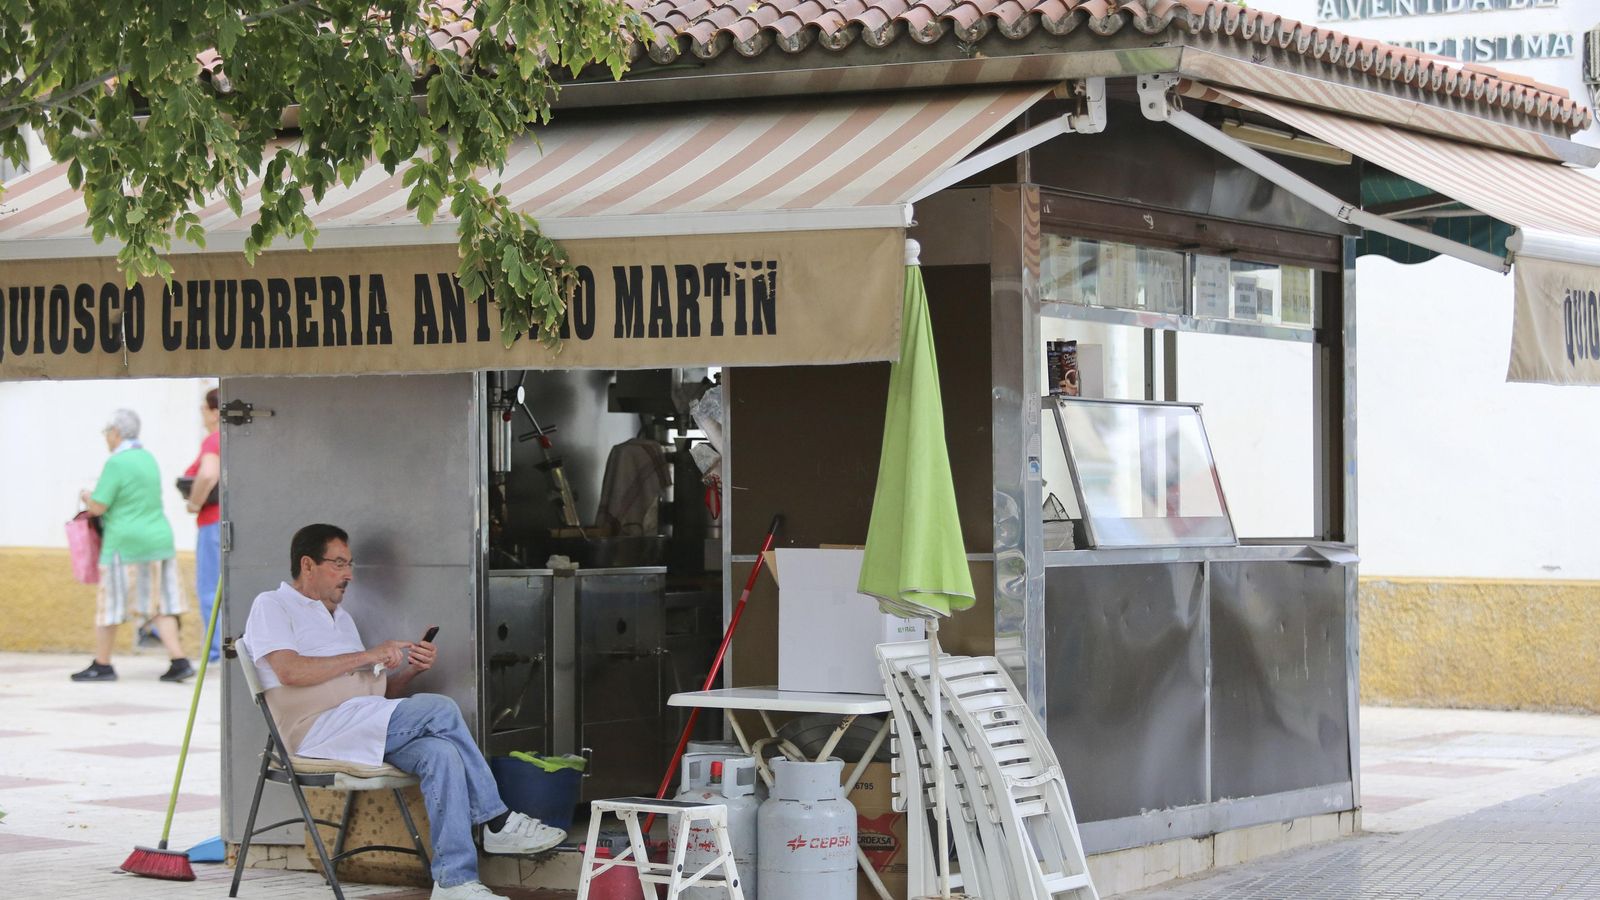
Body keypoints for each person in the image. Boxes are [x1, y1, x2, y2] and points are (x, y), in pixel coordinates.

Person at [242, 524, 563, 900]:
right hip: (315, 732)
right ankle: (496, 820)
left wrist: (411, 670)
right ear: (307, 565)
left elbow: (379, 694)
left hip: (362, 723)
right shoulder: (273, 605)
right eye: (339, 563)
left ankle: (453, 881)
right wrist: (368, 655)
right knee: (440, 708)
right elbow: (289, 672)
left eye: (350, 564)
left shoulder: (341, 618)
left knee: (441, 753)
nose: (348, 574)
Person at [74, 409, 195, 683]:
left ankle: (102, 664)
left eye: (107, 432)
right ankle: (179, 660)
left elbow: (99, 506)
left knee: (110, 605)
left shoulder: (116, 463)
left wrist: (86, 496)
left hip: (125, 543)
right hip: (159, 539)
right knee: (159, 604)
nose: (106, 437)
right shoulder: (147, 458)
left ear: (116, 432)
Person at [183, 387, 223, 663]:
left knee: (210, 590)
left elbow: (208, 474)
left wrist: (193, 503)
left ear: (214, 412)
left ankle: (215, 652)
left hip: (212, 523)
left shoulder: (213, 440)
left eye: (204, 409)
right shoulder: (233, 437)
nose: (201, 414)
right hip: (228, 520)